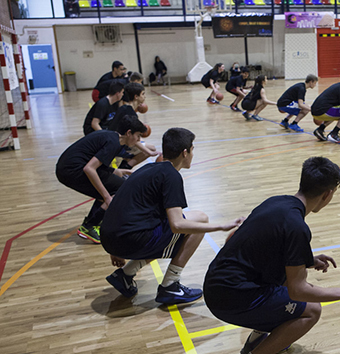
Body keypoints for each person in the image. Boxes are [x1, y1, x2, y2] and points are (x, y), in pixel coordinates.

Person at [203, 156, 340, 354]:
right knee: (310, 310)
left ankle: (258, 342)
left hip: (218, 284)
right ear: (328, 194)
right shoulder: (297, 226)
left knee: (284, 284)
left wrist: (307, 260)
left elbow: (265, 247)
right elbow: (298, 290)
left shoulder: (276, 203)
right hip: (232, 297)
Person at [100, 127, 244, 305]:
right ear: (185, 152)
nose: (193, 153)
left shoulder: (150, 169)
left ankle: (125, 274)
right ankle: (170, 285)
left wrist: (114, 247)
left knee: (186, 221)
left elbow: (116, 206)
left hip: (111, 237)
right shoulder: (171, 176)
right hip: (127, 239)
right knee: (198, 223)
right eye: (192, 149)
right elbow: (177, 225)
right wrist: (221, 226)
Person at [56, 116, 146, 243]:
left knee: (115, 185)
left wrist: (117, 171)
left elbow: (96, 164)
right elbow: (89, 169)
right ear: (128, 133)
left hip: (67, 167)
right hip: (71, 171)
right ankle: (89, 226)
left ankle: (93, 224)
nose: (138, 139)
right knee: (119, 189)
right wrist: (106, 197)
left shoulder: (112, 136)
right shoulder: (114, 143)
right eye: (137, 135)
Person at [106, 82, 160, 166]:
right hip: (117, 145)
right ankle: (125, 168)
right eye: (143, 94)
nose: (144, 96)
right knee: (151, 149)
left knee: (145, 145)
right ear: (136, 97)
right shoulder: (130, 113)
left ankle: (125, 162)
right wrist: (149, 152)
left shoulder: (124, 108)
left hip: (113, 140)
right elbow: (133, 139)